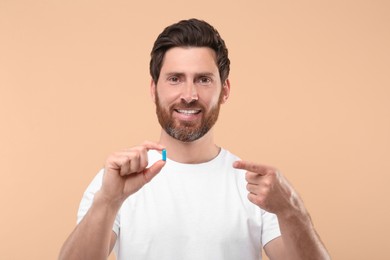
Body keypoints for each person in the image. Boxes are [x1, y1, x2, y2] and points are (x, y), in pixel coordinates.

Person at [59, 18, 330, 260]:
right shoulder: (116, 181)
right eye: (175, 79)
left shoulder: (255, 188)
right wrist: (107, 201)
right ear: (154, 89)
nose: (189, 94)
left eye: (203, 79)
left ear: (224, 90)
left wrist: (291, 211)